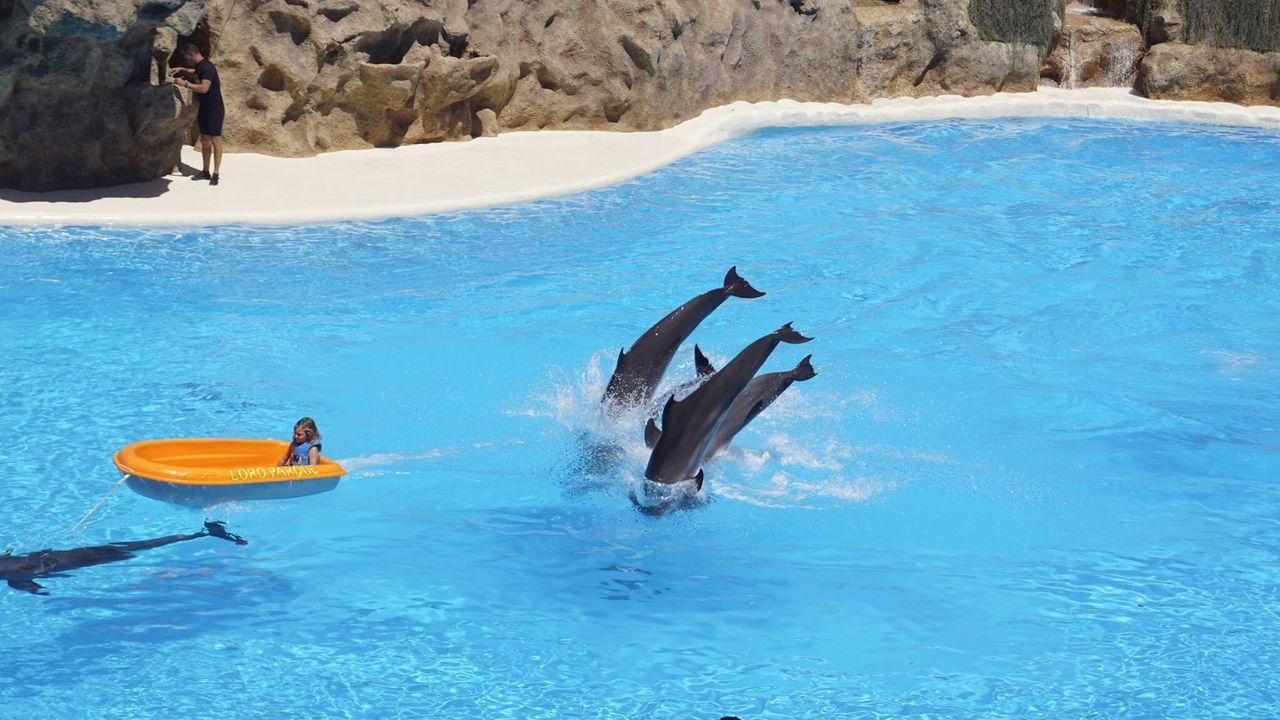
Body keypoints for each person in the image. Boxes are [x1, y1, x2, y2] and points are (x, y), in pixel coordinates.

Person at [169, 43, 224, 186]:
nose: (186, 60)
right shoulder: (200, 66)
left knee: (215, 140)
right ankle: (205, 171)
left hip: (214, 109)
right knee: (205, 140)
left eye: (187, 58)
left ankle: (216, 174)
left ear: (192, 54)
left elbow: (204, 88)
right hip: (204, 108)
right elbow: (195, 72)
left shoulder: (207, 67)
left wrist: (185, 84)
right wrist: (182, 69)